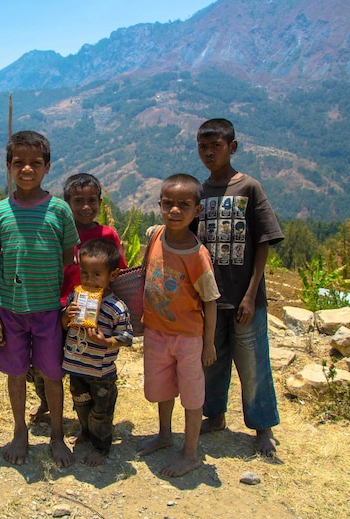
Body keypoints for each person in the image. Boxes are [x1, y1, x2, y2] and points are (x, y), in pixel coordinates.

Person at [0, 130, 80, 468]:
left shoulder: (60, 211)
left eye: (35, 163)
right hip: (10, 311)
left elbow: (68, 261)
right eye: (18, 162)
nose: (26, 169)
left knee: (53, 375)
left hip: (49, 311)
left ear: (47, 167)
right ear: (8, 166)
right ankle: (19, 431)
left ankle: (56, 435)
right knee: (16, 373)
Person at [195, 118, 285, 457]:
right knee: (212, 360)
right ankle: (214, 415)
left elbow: (263, 241)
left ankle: (263, 427)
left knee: (252, 362)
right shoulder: (199, 193)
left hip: (245, 297)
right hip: (210, 299)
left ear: (232, 147)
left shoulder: (249, 188)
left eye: (215, 146)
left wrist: (251, 293)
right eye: (203, 147)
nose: (208, 153)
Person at [137, 173, 219, 477]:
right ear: (159, 205)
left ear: (197, 210)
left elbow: (210, 301)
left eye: (183, 205)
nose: (175, 211)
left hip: (188, 338)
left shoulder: (198, 256)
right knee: (162, 387)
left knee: (192, 394)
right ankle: (164, 434)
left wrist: (208, 343)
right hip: (156, 332)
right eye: (168, 204)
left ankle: (191, 452)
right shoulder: (156, 235)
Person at [28, 173, 127, 421]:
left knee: (83, 368)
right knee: (42, 364)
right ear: (67, 203)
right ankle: (46, 402)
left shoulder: (108, 236)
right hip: (57, 308)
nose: (86, 207)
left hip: (94, 316)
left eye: (92, 200)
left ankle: (88, 417)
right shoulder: (56, 232)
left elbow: (120, 274)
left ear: (100, 204)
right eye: (78, 200)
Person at [60, 238, 132, 466]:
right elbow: (63, 326)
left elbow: (126, 338)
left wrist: (106, 341)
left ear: (113, 276)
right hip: (76, 366)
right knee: (80, 403)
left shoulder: (116, 308)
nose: (89, 280)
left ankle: (101, 446)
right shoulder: (75, 298)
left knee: (101, 411)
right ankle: (86, 432)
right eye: (85, 274)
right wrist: (65, 316)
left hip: (101, 373)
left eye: (96, 274)